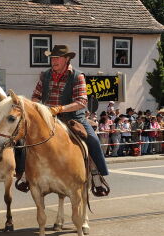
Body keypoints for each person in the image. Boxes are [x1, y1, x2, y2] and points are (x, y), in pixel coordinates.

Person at [31, 44, 109, 196]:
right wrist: (38, 106)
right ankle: (24, 175)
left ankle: (97, 174)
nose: (53, 61)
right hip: (48, 116)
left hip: (72, 117)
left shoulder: (77, 76)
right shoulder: (45, 75)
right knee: (24, 136)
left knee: (93, 140)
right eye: (52, 58)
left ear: (66, 59)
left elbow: (81, 102)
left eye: (57, 58)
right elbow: (35, 95)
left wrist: (60, 109)